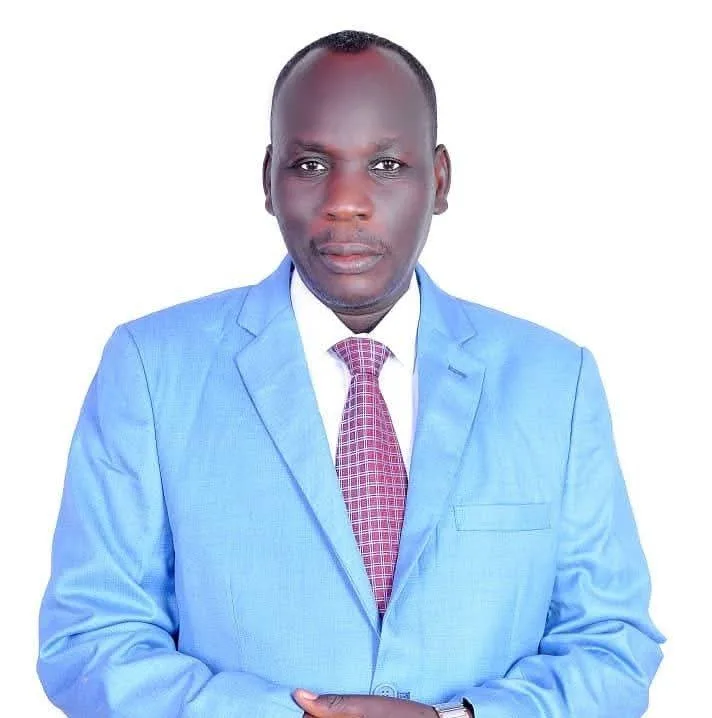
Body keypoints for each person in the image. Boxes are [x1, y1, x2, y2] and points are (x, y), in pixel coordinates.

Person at [37, 29, 665, 718]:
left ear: (440, 180)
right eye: (310, 164)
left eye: (387, 164)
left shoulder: (554, 383)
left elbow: (611, 644)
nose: (345, 201)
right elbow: (90, 640)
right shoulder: (152, 370)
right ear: (268, 180)